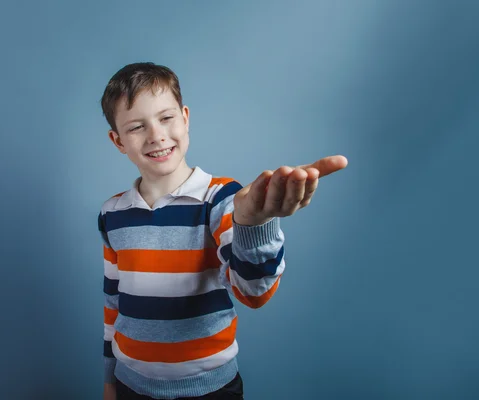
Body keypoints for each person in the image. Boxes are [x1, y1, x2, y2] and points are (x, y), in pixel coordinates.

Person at [97, 62, 348, 400]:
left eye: (166, 118)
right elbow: (113, 302)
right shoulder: (112, 213)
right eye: (137, 126)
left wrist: (254, 224)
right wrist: (110, 379)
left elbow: (254, 293)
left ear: (185, 118)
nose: (156, 135)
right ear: (118, 141)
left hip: (211, 391)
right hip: (131, 387)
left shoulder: (223, 199)